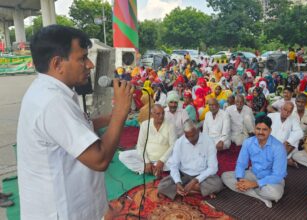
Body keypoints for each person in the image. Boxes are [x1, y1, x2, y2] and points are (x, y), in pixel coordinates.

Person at [17, 25, 134, 219]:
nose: (90, 64)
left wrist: (111, 117)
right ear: (57, 64)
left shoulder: (46, 90)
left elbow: (79, 128)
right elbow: (100, 159)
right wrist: (121, 112)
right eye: (82, 58)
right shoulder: (53, 102)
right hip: (62, 211)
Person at [221, 116, 287, 208]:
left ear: (270, 130)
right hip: (253, 174)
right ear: (254, 129)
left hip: (270, 180)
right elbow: (241, 163)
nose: (260, 132)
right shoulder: (248, 142)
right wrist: (240, 179)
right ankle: (260, 197)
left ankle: (248, 189)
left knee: (275, 194)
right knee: (225, 176)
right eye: (258, 129)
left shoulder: (278, 147)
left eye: (264, 129)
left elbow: (278, 175)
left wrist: (254, 184)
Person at [158, 120, 223, 199]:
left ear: (198, 131)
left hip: (202, 175)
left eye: (193, 136)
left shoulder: (209, 141)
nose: (190, 139)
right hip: (184, 174)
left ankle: (183, 190)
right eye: (187, 136)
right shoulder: (179, 142)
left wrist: (195, 180)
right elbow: (174, 165)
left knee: (217, 184)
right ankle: (196, 190)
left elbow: (213, 168)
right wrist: (178, 182)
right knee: (162, 186)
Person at [119, 104, 176, 177]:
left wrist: (162, 160)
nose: (161, 116)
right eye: (158, 114)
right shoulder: (145, 124)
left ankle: (152, 169)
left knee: (177, 161)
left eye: (163, 113)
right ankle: (148, 169)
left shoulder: (170, 125)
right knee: (123, 156)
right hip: (147, 156)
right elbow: (140, 145)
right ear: (152, 115)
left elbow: (173, 145)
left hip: (164, 160)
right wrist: (147, 161)